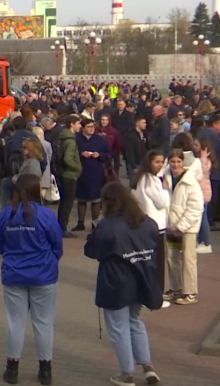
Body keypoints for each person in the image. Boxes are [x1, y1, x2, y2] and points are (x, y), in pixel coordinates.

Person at [84, 182, 162, 386]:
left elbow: (91, 251)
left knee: (119, 328)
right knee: (135, 322)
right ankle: (148, 367)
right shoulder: (147, 223)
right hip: (141, 279)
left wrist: (96, 230)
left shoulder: (108, 227)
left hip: (116, 283)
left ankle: (127, 373)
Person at [0, 174, 62, 386]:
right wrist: (49, 260)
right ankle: (45, 370)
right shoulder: (46, 215)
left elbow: (0, 244)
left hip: (14, 274)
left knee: (15, 323)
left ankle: (12, 369)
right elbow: (57, 245)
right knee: (43, 323)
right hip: (43, 275)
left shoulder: (5, 215)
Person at [131, 151, 171, 308]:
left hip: (146, 224)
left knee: (148, 261)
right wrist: (166, 189)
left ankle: (147, 293)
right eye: (157, 162)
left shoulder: (141, 178)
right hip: (156, 226)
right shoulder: (152, 180)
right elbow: (161, 202)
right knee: (158, 263)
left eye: (162, 162)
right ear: (149, 163)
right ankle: (156, 297)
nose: (160, 165)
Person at [164, 148, 203, 305]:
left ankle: (190, 292)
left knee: (188, 259)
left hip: (188, 228)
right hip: (171, 225)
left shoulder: (190, 181)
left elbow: (196, 207)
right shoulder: (164, 178)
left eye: (178, 161)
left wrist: (182, 225)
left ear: (183, 162)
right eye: (172, 161)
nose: (175, 165)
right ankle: (175, 288)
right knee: (171, 258)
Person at [73, 118, 110, 232]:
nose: (91, 129)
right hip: (82, 171)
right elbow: (72, 153)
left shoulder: (99, 139)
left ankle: (95, 223)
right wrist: (81, 154)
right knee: (82, 199)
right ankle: (80, 223)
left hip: (96, 171)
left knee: (96, 199)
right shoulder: (77, 139)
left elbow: (108, 153)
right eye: (88, 127)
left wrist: (99, 155)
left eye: (93, 127)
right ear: (83, 128)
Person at [56, 115, 83, 238]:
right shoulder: (71, 141)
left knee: (63, 203)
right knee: (67, 204)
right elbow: (68, 159)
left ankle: (60, 227)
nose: (80, 126)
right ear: (72, 124)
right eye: (78, 123)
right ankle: (63, 228)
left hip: (62, 173)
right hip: (70, 175)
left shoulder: (63, 138)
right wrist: (78, 167)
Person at [193, 137, 215, 254]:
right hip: (202, 191)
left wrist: (203, 158)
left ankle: (206, 242)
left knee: (202, 218)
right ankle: (201, 241)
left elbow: (202, 171)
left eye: (196, 145)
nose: (194, 147)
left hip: (203, 192)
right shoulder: (200, 159)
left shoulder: (204, 161)